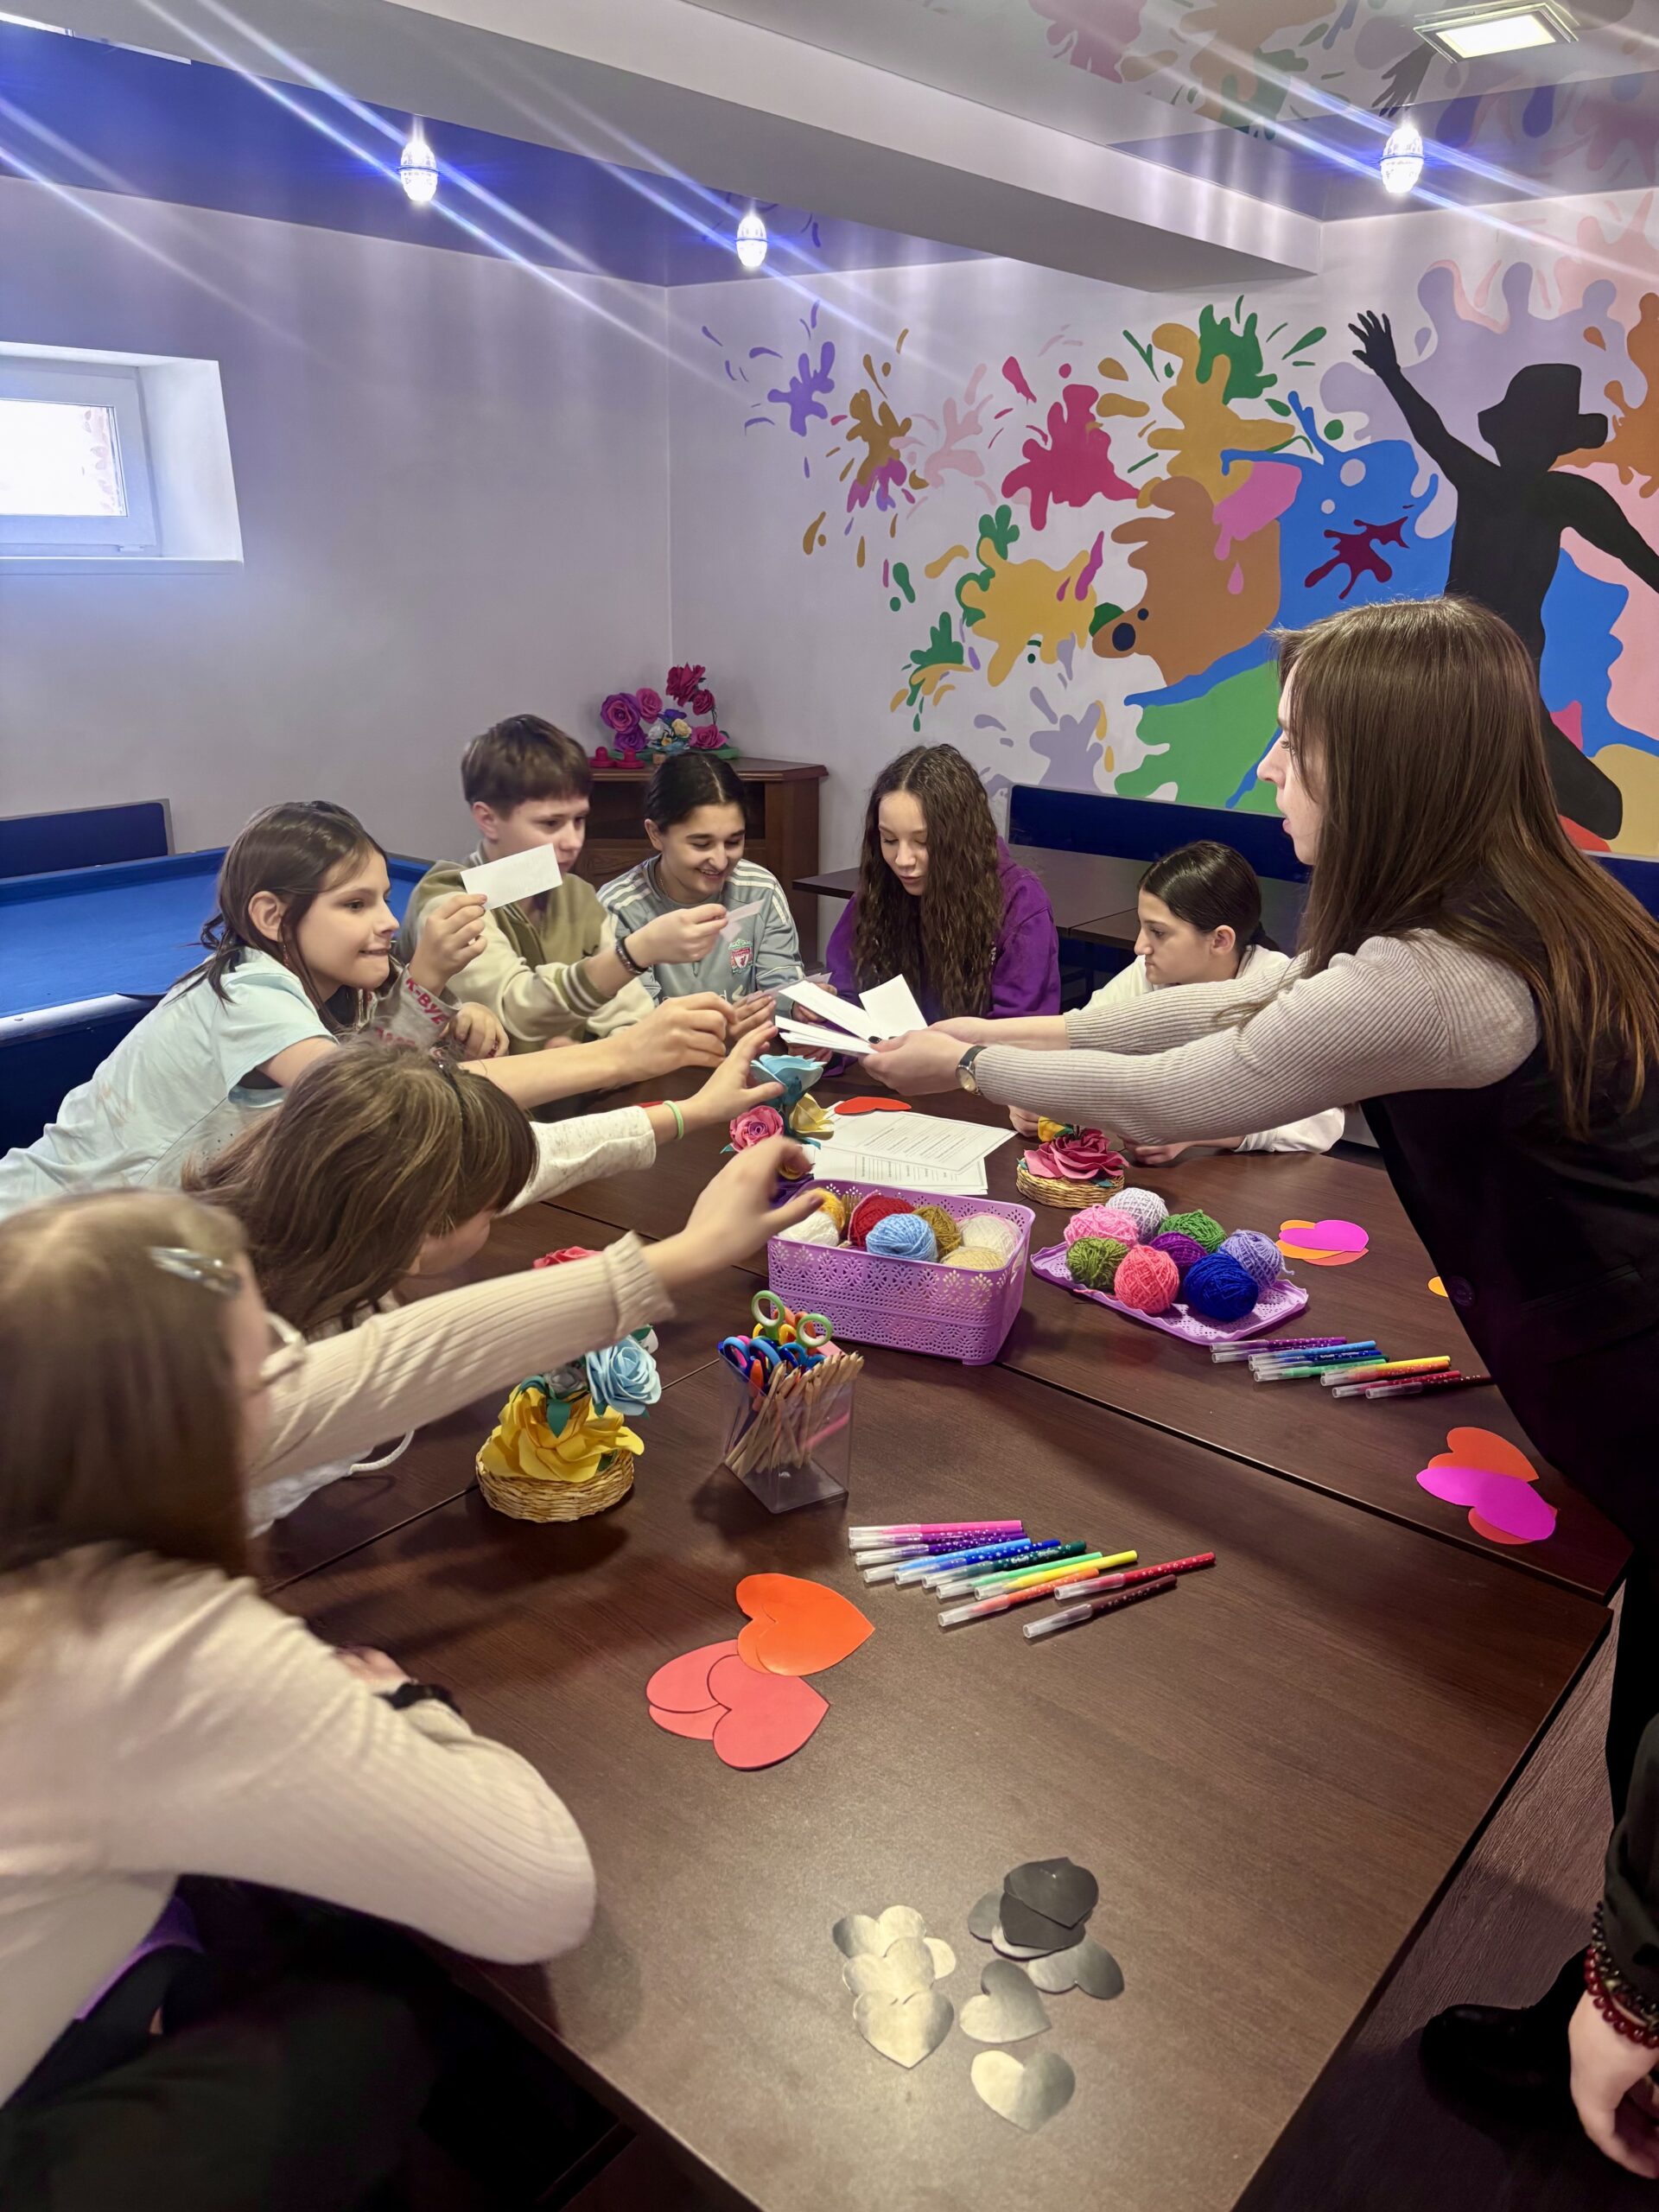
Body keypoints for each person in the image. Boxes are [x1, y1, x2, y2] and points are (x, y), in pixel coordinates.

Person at [859, 595, 1659, 2165]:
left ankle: (1628, 2029)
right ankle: (1614, 1991)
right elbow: (1240, 1001)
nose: (1272, 770)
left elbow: (1198, 1083)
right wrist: (1021, 1028)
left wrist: (974, 1063)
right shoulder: (1507, 907)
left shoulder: (1441, 975)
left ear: (1387, 768)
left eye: (1296, 746)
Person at [0, 1148, 822, 2205]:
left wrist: (667, 1262)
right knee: (375, 2020)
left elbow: (373, 1366)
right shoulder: (149, 1649)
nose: (297, 1371)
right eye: (268, 1363)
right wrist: (398, 1702)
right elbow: (533, 1892)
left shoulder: (53, 1448)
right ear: (194, 1419)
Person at [0, 800, 735, 1218]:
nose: (388, 921)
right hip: (41, 1236)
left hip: (142, 1237)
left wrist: (435, 1011)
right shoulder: (248, 990)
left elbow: (376, 1063)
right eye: (355, 904)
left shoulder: (336, 991)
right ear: (271, 916)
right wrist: (623, 1054)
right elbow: (380, 1103)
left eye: (384, 898)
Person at [188, 1032, 785, 1525]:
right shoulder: (280, 1371)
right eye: (491, 1212)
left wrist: (690, 1112)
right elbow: (442, 1348)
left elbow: (536, 1155)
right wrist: (695, 1251)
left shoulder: (291, 1194)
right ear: (422, 1228)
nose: (499, 1213)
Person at [1350, 310, 1659, 842]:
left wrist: (1391, 372)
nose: (1516, 443)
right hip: (1474, 650)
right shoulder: (1534, 490)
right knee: (1494, 769)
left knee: (1583, 797)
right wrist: (1390, 374)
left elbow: (1640, 558)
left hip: (1492, 654)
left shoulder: (1537, 491)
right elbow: (1432, 433)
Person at [401, 714, 760, 1052]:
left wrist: (596, 1055)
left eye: (579, 820)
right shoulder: (448, 901)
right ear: (488, 819)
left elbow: (630, 1018)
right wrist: (635, 952)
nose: (573, 841)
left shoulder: (574, 894)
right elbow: (517, 1011)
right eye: (551, 823)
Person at [1008, 840, 1344, 1162]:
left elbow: (1322, 1123)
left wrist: (1195, 1131)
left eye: (1158, 932)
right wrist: (1034, 1091)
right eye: (1142, 927)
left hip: (1252, 1178)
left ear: (1220, 940)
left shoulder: (1282, 993)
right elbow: (1079, 1042)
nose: (1140, 946)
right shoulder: (1149, 973)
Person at [826, 743, 1059, 1022]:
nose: (902, 860)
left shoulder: (1019, 902)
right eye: (889, 840)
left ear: (961, 839)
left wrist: (944, 1046)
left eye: (923, 842)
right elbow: (847, 992)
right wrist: (823, 1020)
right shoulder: (880, 891)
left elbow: (1021, 1028)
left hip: (975, 1052)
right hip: (887, 1051)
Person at [600, 753, 804, 1014]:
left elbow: (781, 986)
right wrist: (725, 1029)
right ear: (655, 834)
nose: (720, 861)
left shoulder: (760, 890)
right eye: (701, 844)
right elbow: (637, 1023)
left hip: (751, 1040)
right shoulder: (619, 908)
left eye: (733, 842)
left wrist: (799, 1006)